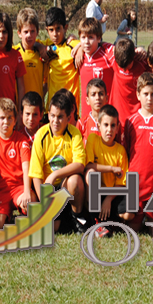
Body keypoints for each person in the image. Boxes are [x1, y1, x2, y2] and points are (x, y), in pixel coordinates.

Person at [29, 89, 86, 232]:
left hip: (65, 186)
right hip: (47, 189)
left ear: (69, 117)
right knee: (52, 228)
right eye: (53, 115)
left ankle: (77, 218)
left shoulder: (74, 133)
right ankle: (60, 217)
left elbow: (80, 165)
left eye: (60, 117)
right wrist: (44, 202)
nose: (55, 121)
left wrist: (55, 174)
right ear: (48, 114)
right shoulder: (41, 135)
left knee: (75, 181)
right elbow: (35, 174)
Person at [122, 73, 153, 230]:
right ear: (138, 95)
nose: (149, 98)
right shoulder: (130, 122)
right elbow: (126, 152)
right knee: (132, 227)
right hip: (135, 185)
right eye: (145, 94)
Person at [84, 105, 133, 237]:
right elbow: (89, 166)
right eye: (105, 125)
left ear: (117, 128)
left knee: (129, 214)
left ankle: (111, 222)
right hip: (96, 194)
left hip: (112, 195)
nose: (109, 129)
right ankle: (95, 221)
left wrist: (109, 199)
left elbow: (121, 183)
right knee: (91, 175)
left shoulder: (120, 151)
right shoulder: (93, 139)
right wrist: (111, 169)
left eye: (112, 125)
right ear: (99, 125)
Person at [0, 99, 33, 232]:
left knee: (32, 206)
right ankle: (6, 215)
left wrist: (27, 191)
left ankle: (22, 212)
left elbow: (26, 167)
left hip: (19, 189)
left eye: (9, 118)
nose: (6, 122)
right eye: (2, 118)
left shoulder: (22, 140)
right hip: (0, 192)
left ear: (15, 120)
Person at [44, 7, 80, 111]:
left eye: (58, 29)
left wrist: (80, 45)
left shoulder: (72, 45)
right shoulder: (46, 45)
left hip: (70, 110)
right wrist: (42, 48)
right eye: (51, 30)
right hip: (51, 110)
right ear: (47, 30)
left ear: (65, 27)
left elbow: (92, 43)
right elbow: (33, 44)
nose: (55, 34)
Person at [78, 18, 115, 117]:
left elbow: (123, 51)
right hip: (87, 116)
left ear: (99, 38)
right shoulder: (79, 57)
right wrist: (79, 48)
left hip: (106, 115)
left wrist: (138, 50)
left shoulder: (107, 54)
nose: (86, 41)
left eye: (90, 37)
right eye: (83, 37)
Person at [0, 12, 26, 105]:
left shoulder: (16, 55)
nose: (1, 36)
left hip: (9, 110)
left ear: (9, 34)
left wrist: (20, 110)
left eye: (4, 32)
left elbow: (21, 87)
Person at [13, 8, 48, 105]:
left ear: (37, 31)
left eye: (32, 31)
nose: (29, 35)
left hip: (37, 108)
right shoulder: (14, 53)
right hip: (19, 108)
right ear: (19, 33)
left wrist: (40, 96)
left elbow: (46, 81)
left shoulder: (42, 52)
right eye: (26, 32)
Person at [111, 38, 149, 123]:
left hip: (137, 117)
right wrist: (80, 47)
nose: (124, 69)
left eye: (127, 66)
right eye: (121, 66)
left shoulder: (142, 63)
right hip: (117, 117)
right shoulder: (114, 59)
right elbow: (101, 44)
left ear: (134, 57)